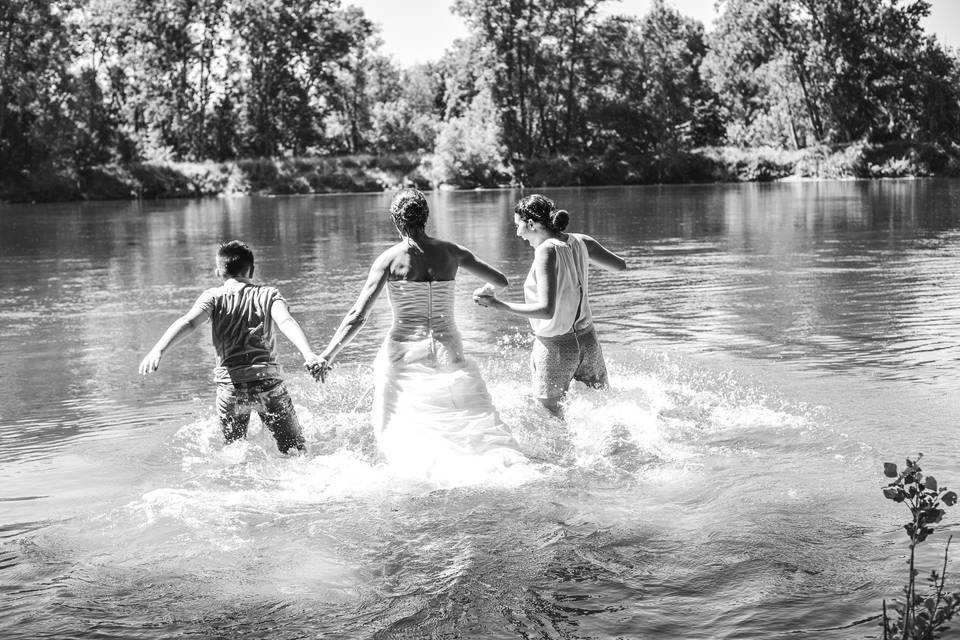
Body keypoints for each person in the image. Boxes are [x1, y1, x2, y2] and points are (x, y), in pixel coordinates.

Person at [309, 189, 526, 479]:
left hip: (404, 351)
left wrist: (327, 355)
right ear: (426, 217)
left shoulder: (388, 260)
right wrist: (485, 294)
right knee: (459, 413)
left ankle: (421, 472)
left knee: (405, 424)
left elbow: (358, 316)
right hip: (448, 345)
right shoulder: (452, 251)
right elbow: (500, 281)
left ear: (396, 221)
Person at [139, 240, 320, 454]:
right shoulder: (269, 294)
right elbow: (286, 322)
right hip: (268, 384)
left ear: (218, 272)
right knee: (295, 451)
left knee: (234, 451)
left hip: (231, 388)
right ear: (251, 270)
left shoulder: (213, 297)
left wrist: (158, 350)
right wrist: (308, 354)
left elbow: (188, 322)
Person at [473, 194, 627, 416]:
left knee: (549, 420)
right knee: (605, 409)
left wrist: (497, 304)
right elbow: (620, 266)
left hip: (556, 349)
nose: (517, 233)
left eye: (519, 226)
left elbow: (546, 311)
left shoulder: (546, 250)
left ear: (532, 224)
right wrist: (577, 261)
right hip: (588, 341)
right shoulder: (581, 241)